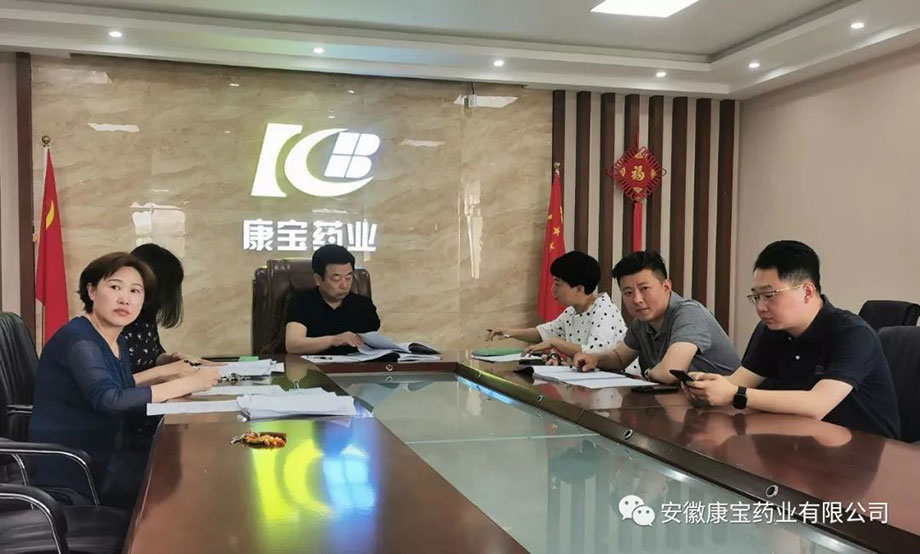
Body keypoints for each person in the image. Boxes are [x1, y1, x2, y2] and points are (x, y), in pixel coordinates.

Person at [29, 252, 220, 509]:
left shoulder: (113, 337)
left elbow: (120, 385)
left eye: (135, 291)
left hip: (105, 452)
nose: (125, 299)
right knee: (182, 485)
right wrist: (187, 384)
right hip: (76, 467)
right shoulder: (80, 340)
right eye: (115, 287)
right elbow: (110, 399)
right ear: (92, 291)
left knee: (188, 468)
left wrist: (166, 374)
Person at [683, 240, 901, 439]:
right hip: (801, 441)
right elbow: (738, 382)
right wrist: (706, 386)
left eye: (769, 295)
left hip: (863, 451)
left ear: (807, 291)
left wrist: (735, 394)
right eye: (756, 297)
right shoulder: (772, 330)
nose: (760, 307)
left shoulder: (853, 334)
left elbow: (817, 405)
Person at [573, 251, 740, 384]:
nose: (637, 299)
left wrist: (647, 373)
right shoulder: (641, 322)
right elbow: (618, 358)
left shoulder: (689, 313)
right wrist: (594, 358)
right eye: (628, 293)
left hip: (727, 407)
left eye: (644, 289)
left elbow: (670, 372)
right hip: (684, 402)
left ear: (666, 286)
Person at [487, 251, 638, 371]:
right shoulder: (572, 311)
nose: (552, 289)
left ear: (579, 289)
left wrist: (555, 343)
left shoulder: (604, 311)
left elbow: (594, 353)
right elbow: (544, 333)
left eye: (558, 284)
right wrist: (508, 332)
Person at [124, 243, 215, 373]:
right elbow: (116, 382)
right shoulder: (114, 323)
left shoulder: (146, 316)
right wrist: (164, 373)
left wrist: (172, 359)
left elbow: (151, 357)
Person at [284, 244, 381, 355]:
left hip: (356, 365)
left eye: (348, 278)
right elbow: (293, 345)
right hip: (313, 365)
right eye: (336, 279)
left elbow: (376, 345)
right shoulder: (302, 302)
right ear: (318, 279)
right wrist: (334, 340)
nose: (344, 285)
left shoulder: (363, 305)